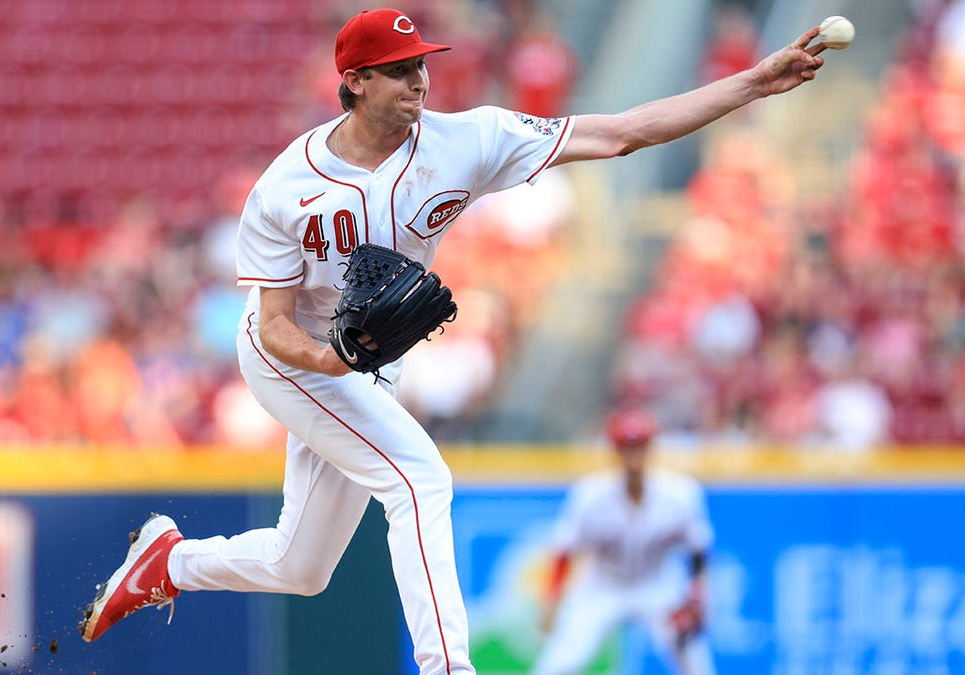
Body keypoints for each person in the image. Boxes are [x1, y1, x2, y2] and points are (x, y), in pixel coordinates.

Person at [78, 7, 829, 673]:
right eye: (399, 71)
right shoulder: (286, 186)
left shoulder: (467, 140)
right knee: (420, 479)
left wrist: (752, 83)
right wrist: (327, 360)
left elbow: (621, 132)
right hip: (291, 357)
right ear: (355, 83)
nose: (420, 81)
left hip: (364, 361)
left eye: (422, 66)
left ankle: (171, 562)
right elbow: (272, 325)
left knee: (300, 565)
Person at [533, 410, 715, 675]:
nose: (633, 454)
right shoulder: (589, 495)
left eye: (639, 445)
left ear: (650, 447)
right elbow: (565, 550)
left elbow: (698, 549)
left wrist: (697, 597)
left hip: (657, 583)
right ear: (615, 450)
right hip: (603, 585)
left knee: (696, 666)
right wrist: (552, 599)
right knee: (560, 663)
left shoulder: (681, 494)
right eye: (626, 446)